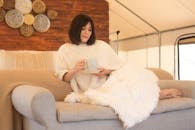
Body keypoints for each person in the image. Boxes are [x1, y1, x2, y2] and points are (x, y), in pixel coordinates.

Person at [55, 14, 123, 101]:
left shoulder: (101, 45)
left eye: (89, 29)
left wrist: (106, 71)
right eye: (83, 28)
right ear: (75, 29)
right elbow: (62, 76)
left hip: (107, 87)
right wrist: (75, 69)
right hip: (85, 92)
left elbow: (120, 67)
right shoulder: (65, 49)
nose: (87, 32)